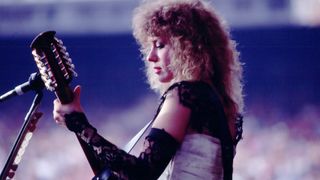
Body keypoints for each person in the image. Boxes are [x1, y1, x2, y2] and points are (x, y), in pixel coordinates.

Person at [53, 0, 244, 179]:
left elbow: (142, 174)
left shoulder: (185, 95)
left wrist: (79, 124)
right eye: (149, 47)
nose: (150, 57)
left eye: (160, 45)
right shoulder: (220, 101)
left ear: (188, 47)